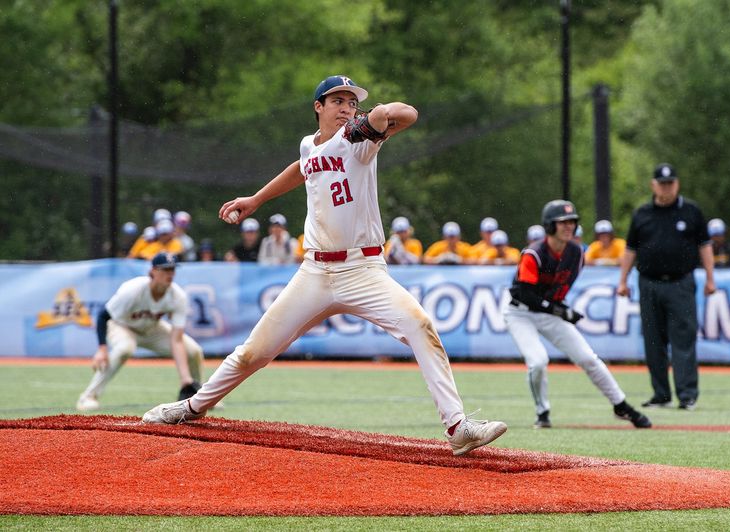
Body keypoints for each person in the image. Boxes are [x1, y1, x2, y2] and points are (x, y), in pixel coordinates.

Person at [141, 74, 507, 456]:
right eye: (338, 101)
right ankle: (193, 407)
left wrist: (378, 115)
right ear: (318, 107)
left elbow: (408, 114)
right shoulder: (308, 145)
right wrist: (257, 199)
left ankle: (457, 426)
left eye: (352, 102)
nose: (346, 108)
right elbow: (303, 166)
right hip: (314, 272)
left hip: (362, 270)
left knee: (420, 325)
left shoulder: (360, 141)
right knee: (254, 353)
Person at [503, 200, 651, 429]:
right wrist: (558, 309)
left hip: (547, 310)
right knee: (539, 361)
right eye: (563, 222)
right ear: (550, 225)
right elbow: (525, 294)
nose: (569, 226)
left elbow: (557, 290)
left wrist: (557, 308)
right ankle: (542, 412)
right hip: (520, 312)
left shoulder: (576, 253)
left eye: (572, 222)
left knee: (588, 358)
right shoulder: (534, 253)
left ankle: (620, 405)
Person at [617, 163, 716, 411]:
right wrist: (622, 280)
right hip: (648, 283)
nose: (666, 188)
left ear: (677, 184)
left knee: (683, 339)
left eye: (670, 183)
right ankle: (661, 394)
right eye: (662, 184)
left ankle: (687, 395)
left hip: (680, 282)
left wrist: (710, 277)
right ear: (653, 185)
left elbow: (704, 246)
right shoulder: (642, 214)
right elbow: (630, 249)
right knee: (653, 341)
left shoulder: (691, 211)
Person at [76, 252, 205, 412]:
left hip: (151, 328)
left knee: (193, 350)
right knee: (125, 348)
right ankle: (88, 396)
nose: (170, 274)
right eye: (165, 269)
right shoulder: (134, 289)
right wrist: (102, 349)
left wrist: (185, 379)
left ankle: (200, 398)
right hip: (122, 326)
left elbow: (176, 340)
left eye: (172, 269)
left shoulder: (178, 296)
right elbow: (103, 316)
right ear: (153, 271)